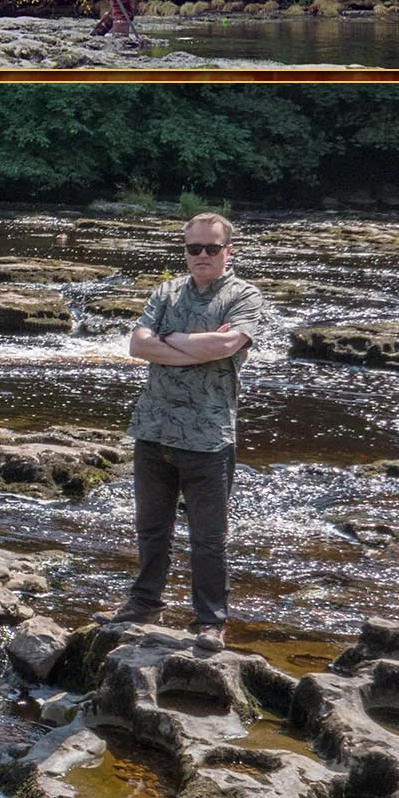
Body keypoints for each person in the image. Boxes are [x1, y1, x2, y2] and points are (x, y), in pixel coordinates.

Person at [96, 213, 267, 652]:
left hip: (209, 437)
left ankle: (210, 620)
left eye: (212, 248)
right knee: (152, 527)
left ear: (230, 251)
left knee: (209, 539)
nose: (203, 256)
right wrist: (199, 346)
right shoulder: (166, 291)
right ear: (185, 251)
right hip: (153, 429)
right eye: (194, 248)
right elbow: (137, 345)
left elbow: (227, 345)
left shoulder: (243, 296)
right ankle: (144, 602)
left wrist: (170, 341)